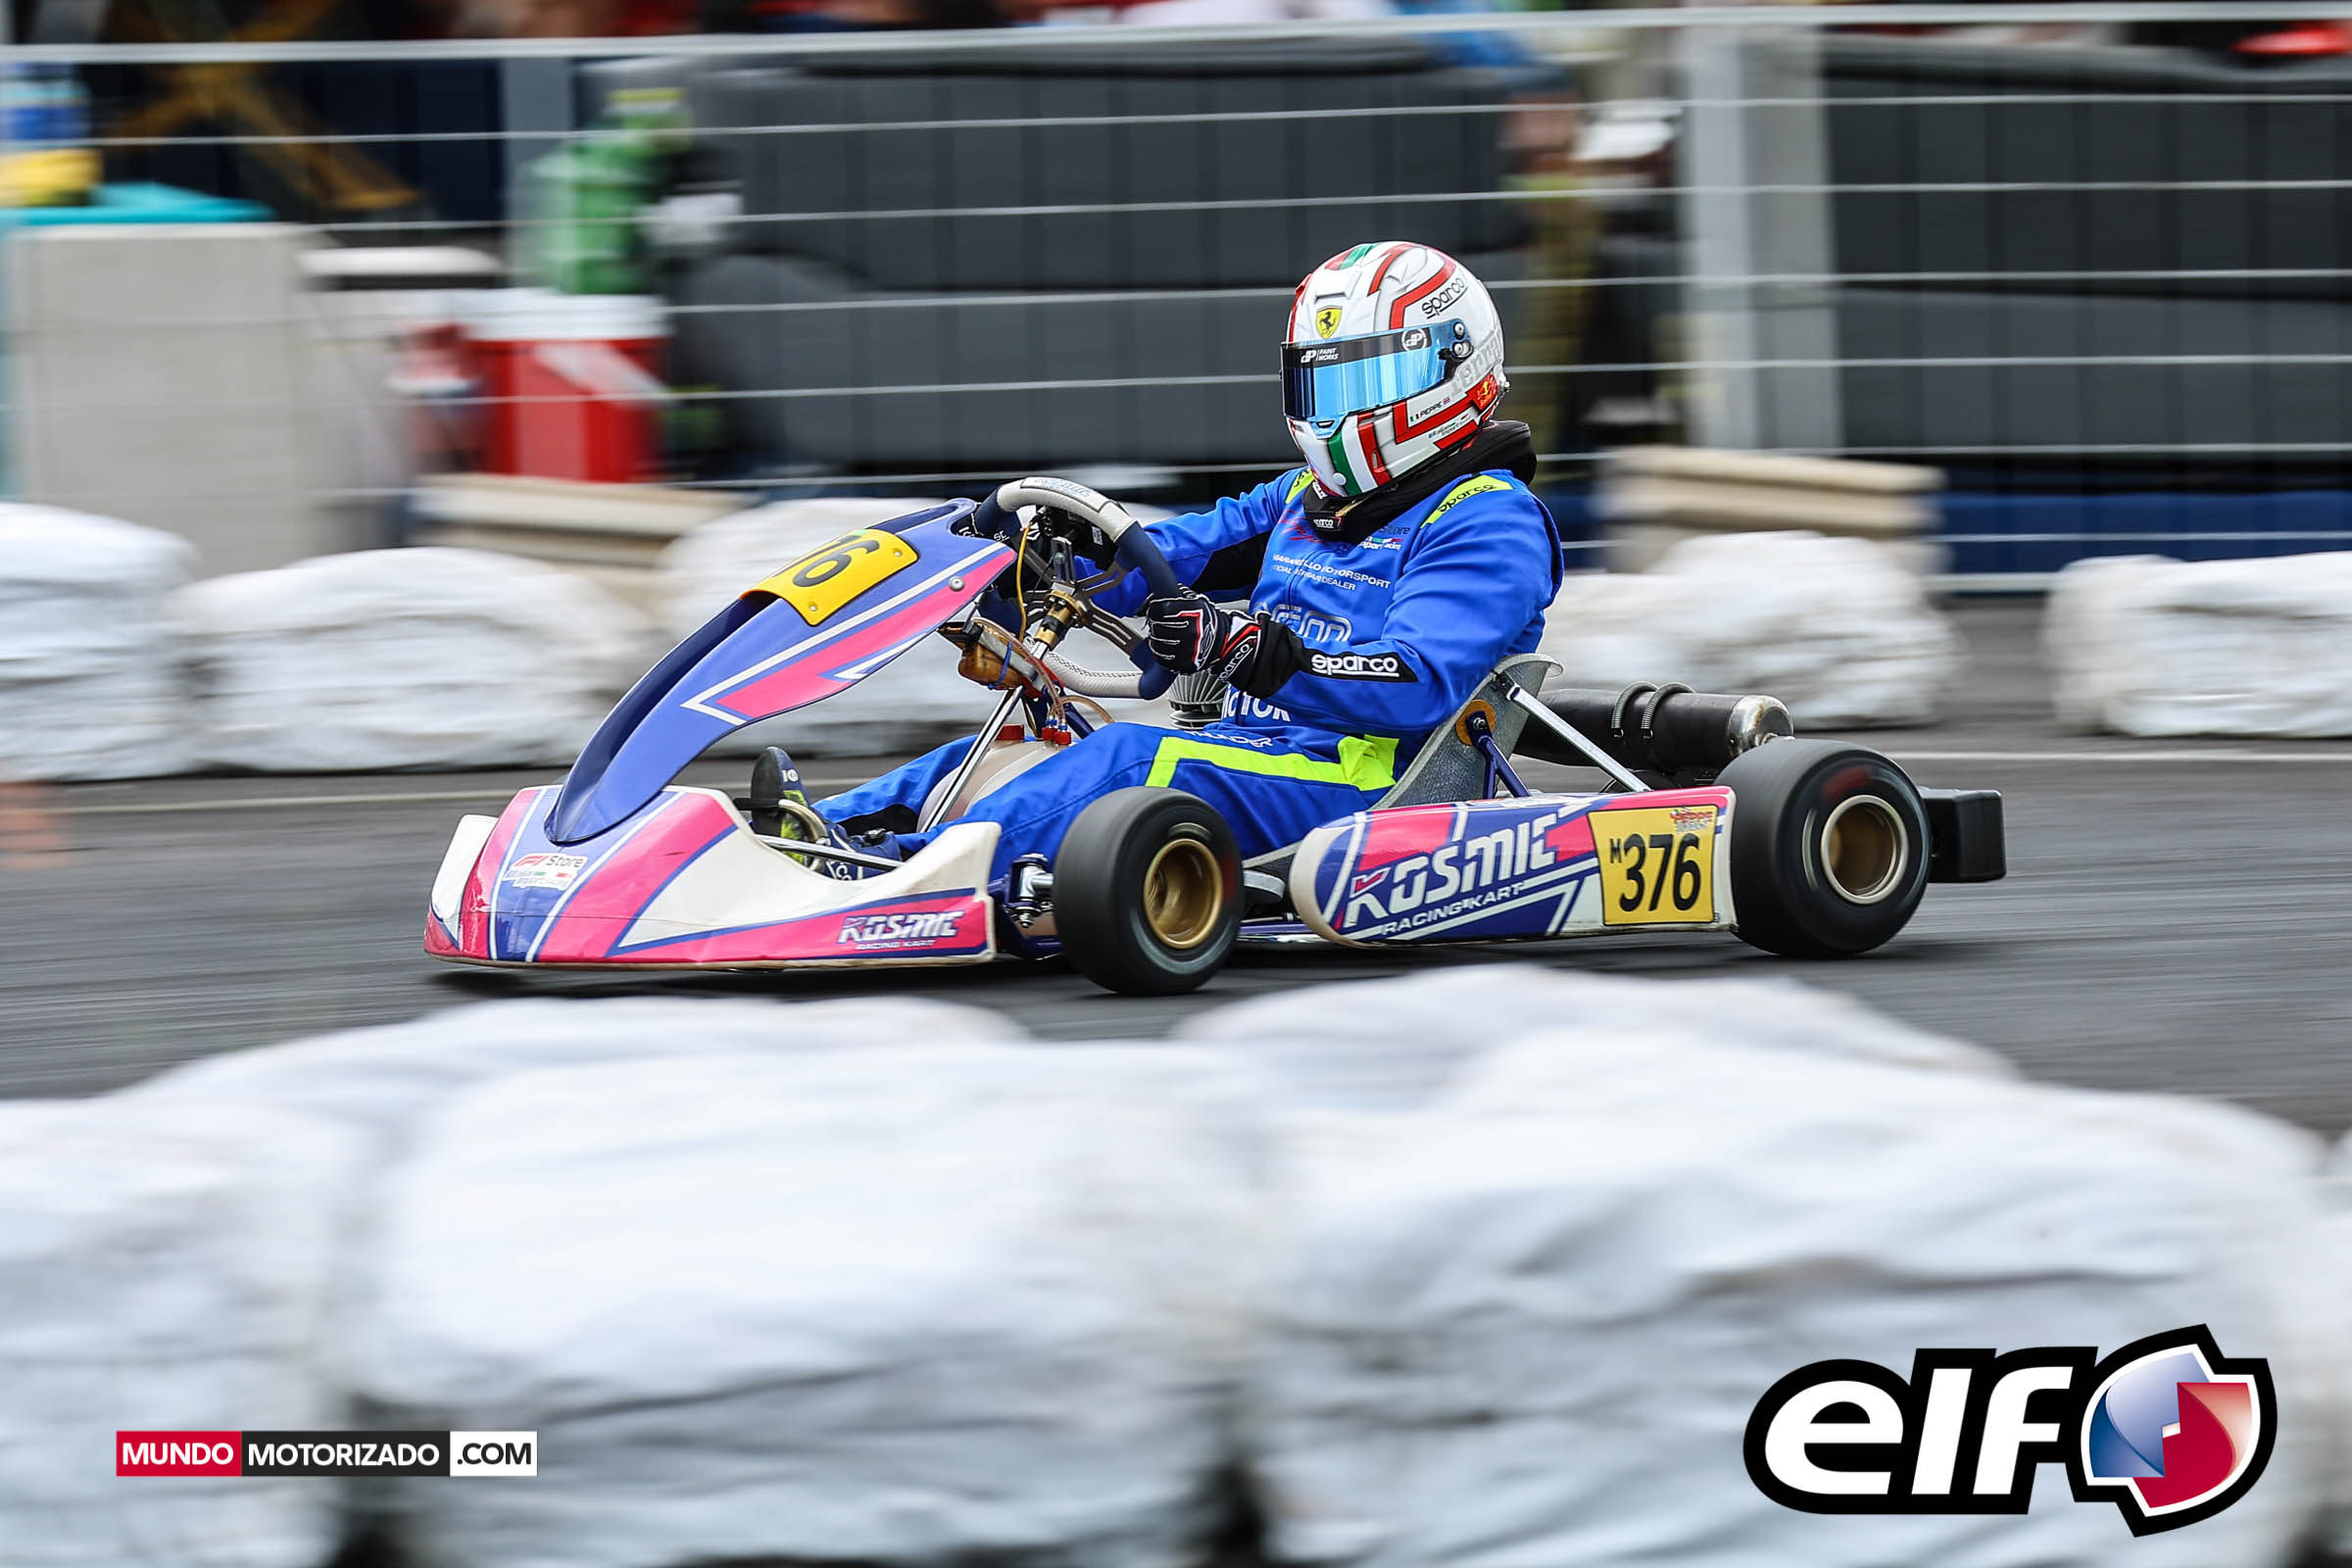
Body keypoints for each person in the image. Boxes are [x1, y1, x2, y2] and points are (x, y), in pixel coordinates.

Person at [812, 240, 1563, 881]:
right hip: (1257, 754)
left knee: (1128, 759)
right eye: (1323, 382)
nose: (1336, 411)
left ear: (1449, 371)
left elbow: (1417, 682)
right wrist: (1052, 559)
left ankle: (902, 877)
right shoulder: (1305, 497)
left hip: (1366, 786)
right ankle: (809, 837)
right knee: (1019, 747)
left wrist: (1242, 649)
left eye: (1362, 382)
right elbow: (1167, 560)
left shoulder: (1486, 518)